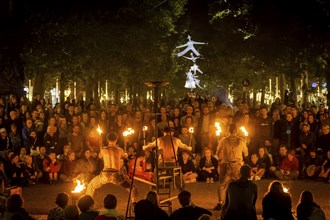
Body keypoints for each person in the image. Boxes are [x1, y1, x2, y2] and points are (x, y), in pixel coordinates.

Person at [86, 132, 136, 202]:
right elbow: (125, 157)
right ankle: (133, 202)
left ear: (107, 140)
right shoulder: (120, 150)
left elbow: (100, 156)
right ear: (116, 140)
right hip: (116, 175)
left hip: (105, 175)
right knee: (132, 187)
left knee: (91, 186)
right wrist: (125, 154)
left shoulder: (103, 150)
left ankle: (87, 203)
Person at [214, 123, 248, 210]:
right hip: (237, 166)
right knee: (240, 184)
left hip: (226, 165)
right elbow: (246, 153)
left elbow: (217, 152)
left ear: (228, 130)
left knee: (222, 185)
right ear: (236, 131)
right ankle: (240, 202)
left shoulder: (223, 140)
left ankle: (220, 202)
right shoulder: (242, 140)